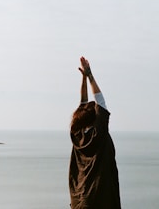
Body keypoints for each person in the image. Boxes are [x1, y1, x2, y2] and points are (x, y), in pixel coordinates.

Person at [69, 56, 121, 209]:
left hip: (80, 200)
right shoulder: (98, 134)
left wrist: (84, 78)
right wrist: (90, 75)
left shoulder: (77, 135)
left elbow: (83, 103)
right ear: (94, 119)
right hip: (99, 198)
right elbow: (101, 102)